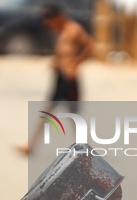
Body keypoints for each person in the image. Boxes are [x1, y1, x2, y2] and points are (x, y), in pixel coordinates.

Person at [16, 4, 95, 156]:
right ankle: (30, 145)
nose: (48, 24)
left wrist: (75, 65)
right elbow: (63, 52)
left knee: (73, 114)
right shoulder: (59, 31)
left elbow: (90, 46)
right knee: (48, 111)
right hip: (60, 76)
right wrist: (56, 63)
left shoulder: (74, 29)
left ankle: (84, 148)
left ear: (58, 17)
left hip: (70, 78)